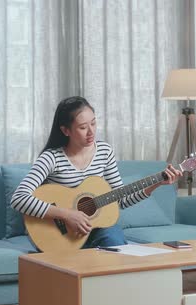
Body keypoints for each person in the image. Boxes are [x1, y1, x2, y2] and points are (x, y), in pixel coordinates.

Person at [11, 96, 183, 249]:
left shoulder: (104, 151)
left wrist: (157, 183)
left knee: (117, 247)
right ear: (65, 131)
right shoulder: (52, 158)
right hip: (60, 234)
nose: (91, 132)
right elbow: (19, 199)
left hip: (97, 229)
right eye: (83, 127)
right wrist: (68, 215)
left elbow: (121, 200)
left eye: (93, 123)